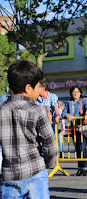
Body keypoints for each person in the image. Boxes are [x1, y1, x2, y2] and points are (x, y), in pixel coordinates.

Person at [0, 60, 56, 198]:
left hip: (9, 175)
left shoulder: (1, 110)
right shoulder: (38, 111)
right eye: (38, 86)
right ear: (28, 88)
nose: (39, 90)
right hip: (35, 172)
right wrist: (48, 163)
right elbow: (50, 146)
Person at [61, 86, 87, 176]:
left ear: (80, 93)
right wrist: (67, 115)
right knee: (77, 148)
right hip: (73, 128)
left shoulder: (84, 100)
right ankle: (80, 168)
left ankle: (84, 168)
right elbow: (63, 112)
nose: (75, 93)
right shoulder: (69, 103)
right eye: (74, 92)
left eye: (77, 91)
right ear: (71, 93)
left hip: (82, 127)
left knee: (82, 148)